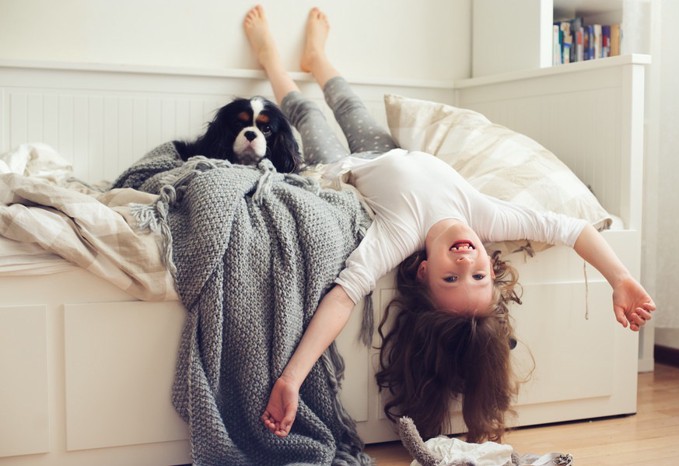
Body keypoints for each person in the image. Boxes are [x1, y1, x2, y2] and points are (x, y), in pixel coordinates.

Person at [243, 5, 656, 443]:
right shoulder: (485, 216)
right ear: (493, 268)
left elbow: (344, 297)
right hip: (391, 148)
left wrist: (291, 378)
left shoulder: (401, 233)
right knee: (348, 104)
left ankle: (272, 61)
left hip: (347, 164)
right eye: (477, 274)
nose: (465, 259)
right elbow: (572, 229)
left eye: (450, 277)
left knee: (309, 116)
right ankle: (317, 60)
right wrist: (621, 277)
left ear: (423, 271)